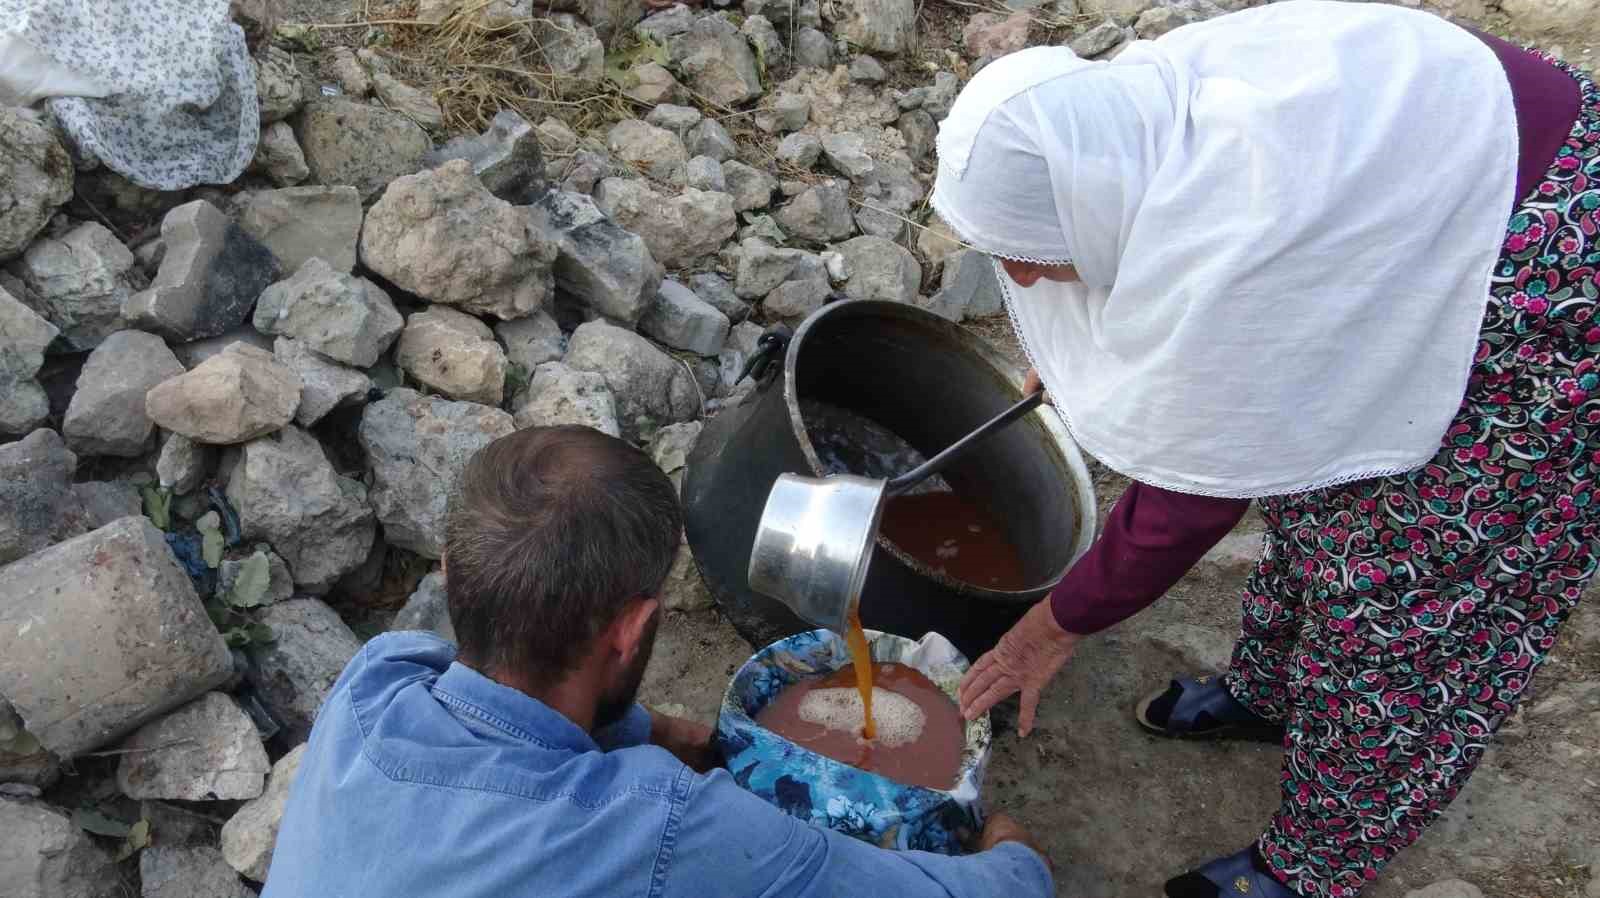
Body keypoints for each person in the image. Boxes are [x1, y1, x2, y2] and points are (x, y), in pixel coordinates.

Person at [933, 3, 1595, 897]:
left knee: (1408, 589)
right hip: (1408, 192)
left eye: (1026, 254)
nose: (1017, 277)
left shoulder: (1236, 239)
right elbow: (1223, 391)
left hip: (1537, 275)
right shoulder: (1130, 125)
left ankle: (1315, 859)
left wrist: (1050, 629)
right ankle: (1273, 691)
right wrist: (1074, 355)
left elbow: (1188, 502)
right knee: (1307, 472)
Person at [261, 425, 1053, 898]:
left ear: (448, 568)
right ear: (630, 630)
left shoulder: (379, 677)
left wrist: (655, 730)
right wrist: (1011, 850)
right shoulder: (665, 829)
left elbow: (502, 720)